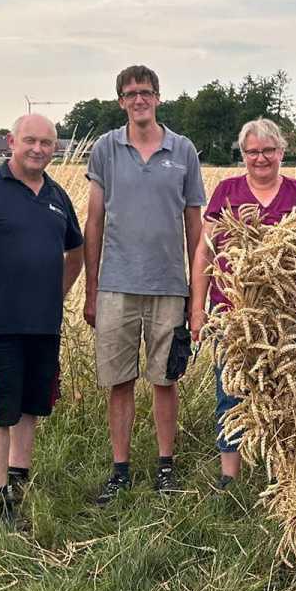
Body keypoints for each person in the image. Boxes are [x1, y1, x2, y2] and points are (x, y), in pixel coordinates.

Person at [0, 114, 84, 523]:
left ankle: (18, 478)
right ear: (11, 141)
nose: (38, 149)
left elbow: (76, 252)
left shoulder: (57, 195)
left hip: (43, 324)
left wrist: (56, 294)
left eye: (47, 143)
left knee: (30, 406)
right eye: (30, 140)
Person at [84, 65, 205, 502]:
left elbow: (196, 228)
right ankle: (120, 470)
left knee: (165, 379)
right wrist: (91, 289)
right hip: (116, 286)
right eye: (131, 93)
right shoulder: (106, 149)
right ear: (121, 101)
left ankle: (165, 467)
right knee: (119, 381)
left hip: (169, 286)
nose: (139, 99)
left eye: (146, 92)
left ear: (158, 98)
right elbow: (94, 221)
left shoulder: (183, 150)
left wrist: (196, 297)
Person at [189, 119, 296, 492]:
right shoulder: (227, 191)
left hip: (283, 313)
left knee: (283, 390)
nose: (261, 158)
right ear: (243, 154)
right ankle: (230, 476)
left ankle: (282, 471)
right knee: (230, 391)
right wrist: (197, 309)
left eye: (268, 151)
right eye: (253, 152)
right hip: (231, 313)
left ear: (281, 152)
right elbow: (204, 253)